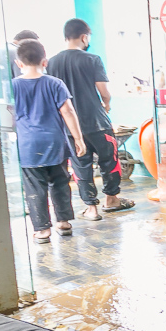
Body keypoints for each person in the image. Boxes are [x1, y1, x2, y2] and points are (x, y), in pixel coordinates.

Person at [48, 18, 135, 220]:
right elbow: (104, 91)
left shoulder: (52, 63)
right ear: (84, 37)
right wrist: (107, 103)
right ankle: (112, 199)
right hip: (97, 123)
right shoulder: (92, 59)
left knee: (80, 166)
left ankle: (91, 208)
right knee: (109, 161)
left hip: (70, 127)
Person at [12, 40, 87, 243]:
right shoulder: (55, 83)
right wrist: (78, 138)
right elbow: (68, 111)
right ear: (44, 61)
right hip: (55, 144)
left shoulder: (13, 86)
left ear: (19, 63)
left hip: (28, 146)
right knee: (60, 183)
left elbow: (8, 115)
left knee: (34, 188)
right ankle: (63, 222)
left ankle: (42, 230)